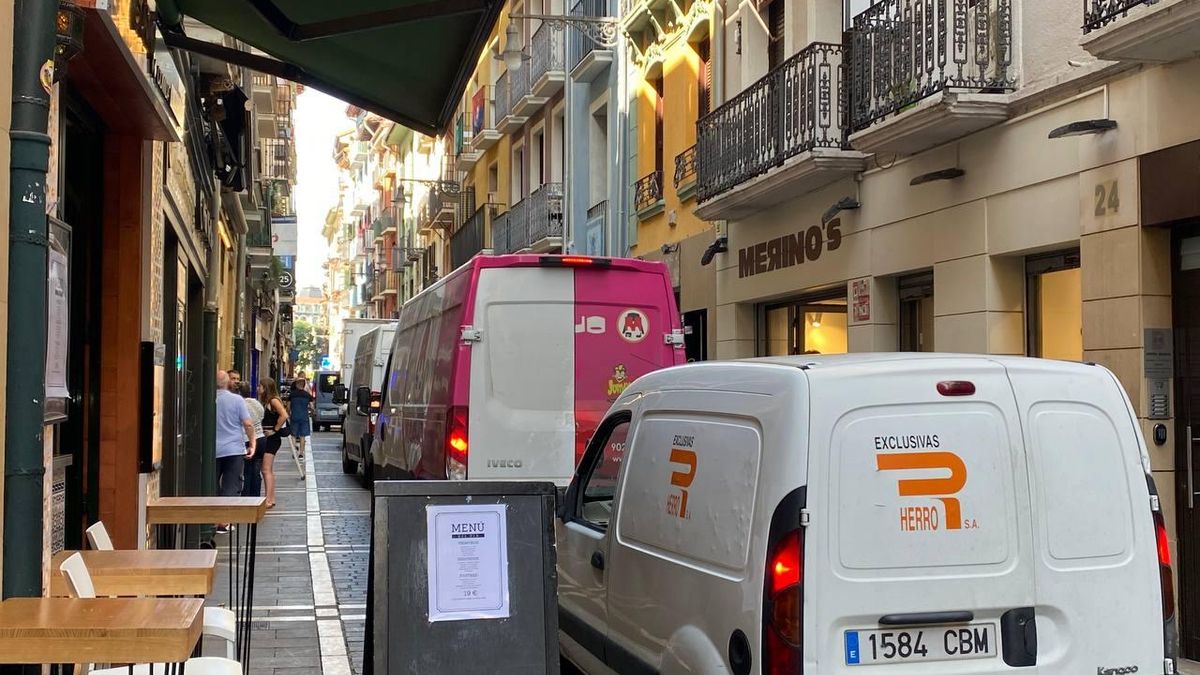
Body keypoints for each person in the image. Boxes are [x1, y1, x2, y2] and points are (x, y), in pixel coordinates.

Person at [215, 370, 255, 533]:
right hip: (234, 449)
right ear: (227, 383)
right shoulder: (237, 400)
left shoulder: (210, 398)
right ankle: (224, 521)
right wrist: (252, 443)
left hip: (213, 449)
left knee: (212, 484)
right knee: (231, 485)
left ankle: (211, 519)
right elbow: (248, 424)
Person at [259, 377, 289, 509]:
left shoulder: (273, 401)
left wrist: (275, 429)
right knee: (268, 469)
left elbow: (284, 415)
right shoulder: (268, 401)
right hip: (270, 438)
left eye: (260, 386)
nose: (258, 389)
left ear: (265, 388)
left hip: (272, 438)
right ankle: (271, 497)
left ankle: (269, 499)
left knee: (265, 469)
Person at [240, 381, 266, 498]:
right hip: (261, 438)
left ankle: (246, 497)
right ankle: (256, 497)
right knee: (256, 471)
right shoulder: (256, 403)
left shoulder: (241, 404)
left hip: (248, 439)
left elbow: (245, 423)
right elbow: (261, 416)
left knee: (246, 471)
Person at [289, 376, 315, 460]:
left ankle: (294, 452)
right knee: (302, 436)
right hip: (304, 417)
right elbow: (312, 407)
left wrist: (289, 414)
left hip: (294, 416)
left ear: (296, 385)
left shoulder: (292, 395)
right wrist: (311, 412)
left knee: (293, 435)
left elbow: (288, 407)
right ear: (304, 385)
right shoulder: (307, 395)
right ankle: (301, 454)